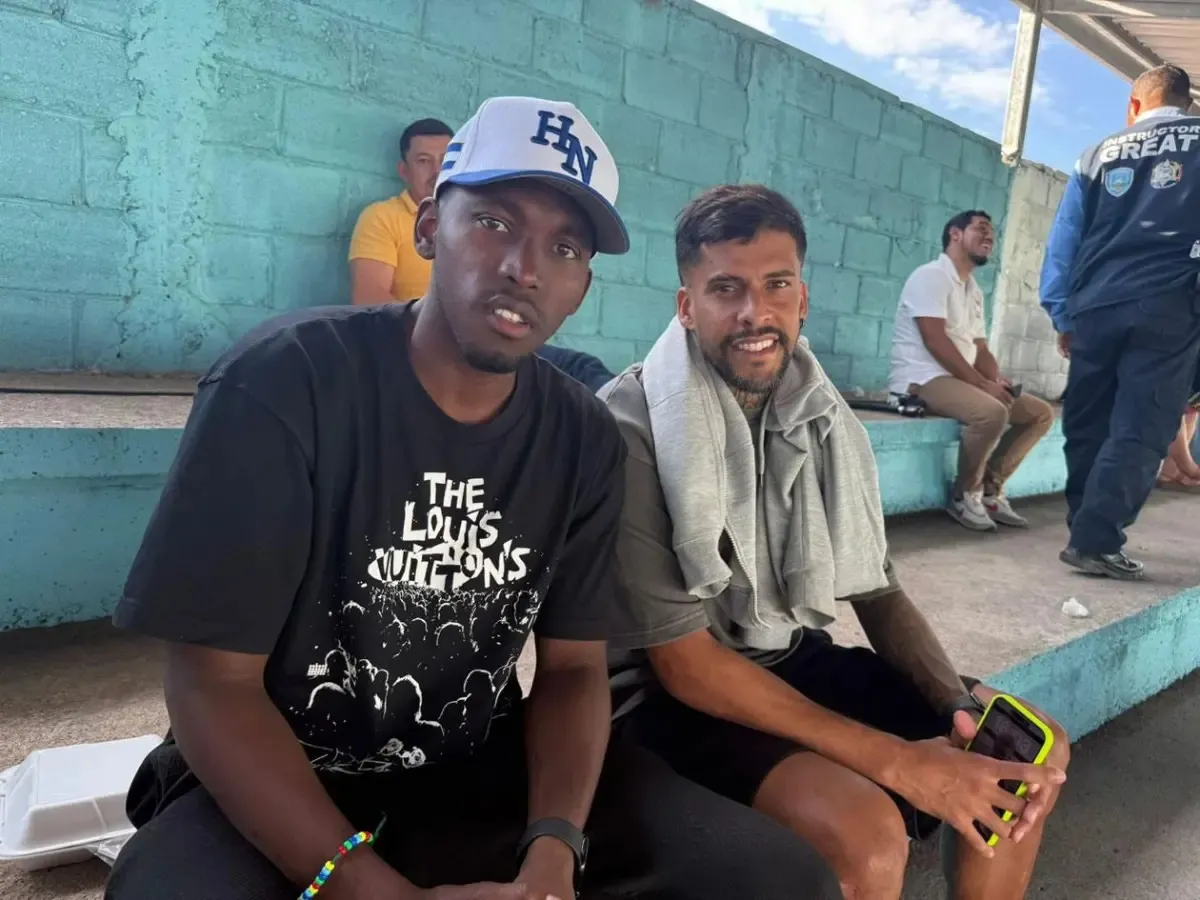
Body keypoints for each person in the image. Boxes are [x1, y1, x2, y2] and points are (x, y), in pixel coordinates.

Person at [105, 100, 841, 900]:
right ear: (429, 229)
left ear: (581, 287)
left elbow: (572, 670)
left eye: (565, 247)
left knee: (779, 879)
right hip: (276, 782)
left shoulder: (583, 439)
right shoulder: (285, 383)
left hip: (472, 769)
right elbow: (212, 685)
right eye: (493, 223)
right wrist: (370, 888)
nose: (526, 268)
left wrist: (553, 854)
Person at [602, 184, 1070, 900]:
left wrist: (953, 705)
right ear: (686, 306)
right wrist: (900, 762)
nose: (755, 312)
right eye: (725, 288)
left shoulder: (819, 416)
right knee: (867, 836)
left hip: (786, 656)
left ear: (803, 299)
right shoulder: (633, 425)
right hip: (664, 698)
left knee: (1026, 758)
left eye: (776, 284)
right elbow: (685, 666)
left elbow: (878, 591)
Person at [1040, 64, 1200, 580]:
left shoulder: (1095, 154)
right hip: (1170, 302)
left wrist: (1061, 311)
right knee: (1142, 423)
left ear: (1134, 106)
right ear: (1188, 103)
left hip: (1096, 305)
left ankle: (1084, 528)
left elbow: (1065, 240)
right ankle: (1095, 538)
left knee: (1087, 420)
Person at [889, 211, 1055, 531]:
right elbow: (935, 340)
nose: (989, 236)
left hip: (958, 379)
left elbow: (979, 347)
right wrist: (981, 384)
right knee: (990, 412)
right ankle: (964, 494)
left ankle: (991, 491)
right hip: (921, 379)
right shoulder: (931, 276)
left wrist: (995, 379)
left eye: (992, 232)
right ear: (955, 234)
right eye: (981, 229)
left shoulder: (973, 290)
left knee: (1040, 414)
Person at [349, 117, 454, 306]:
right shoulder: (382, 218)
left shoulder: (473, 219)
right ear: (404, 171)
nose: (437, 171)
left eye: (445, 160)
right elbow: (368, 299)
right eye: (424, 161)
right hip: (409, 326)